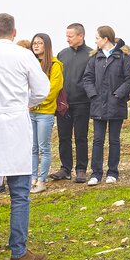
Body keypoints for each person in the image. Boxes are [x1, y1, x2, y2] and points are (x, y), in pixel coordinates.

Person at [0, 13, 50, 260]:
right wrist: (22, 103)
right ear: (14, 33)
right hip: (14, 125)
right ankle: (18, 251)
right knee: (19, 193)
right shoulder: (23, 55)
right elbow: (41, 89)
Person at [82, 26, 130, 185]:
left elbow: (129, 80)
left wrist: (118, 95)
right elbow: (87, 79)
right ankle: (96, 174)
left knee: (114, 140)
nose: (95, 41)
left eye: (97, 38)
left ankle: (113, 172)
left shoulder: (124, 57)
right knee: (97, 140)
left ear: (105, 39)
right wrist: (93, 95)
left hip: (116, 105)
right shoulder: (94, 58)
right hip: (98, 104)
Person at [50, 23, 92, 183]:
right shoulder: (62, 54)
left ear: (81, 36)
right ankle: (65, 168)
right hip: (64, 104)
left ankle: (81, 169)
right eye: (66, 36)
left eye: (70, 36)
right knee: (63, 137)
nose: (67, 39)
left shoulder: (91, 54)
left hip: (82, 102)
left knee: (81, 137)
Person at [29, 33, 64, 193]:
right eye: (34, 43)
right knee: (32, 148)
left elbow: (52, 90)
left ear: (47, 45)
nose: (36, 46)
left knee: (44, 147)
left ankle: (42, 181)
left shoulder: (55, 64)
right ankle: (32, 178)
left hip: (45, 112)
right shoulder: (31, 63)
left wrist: (35, 102)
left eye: (40, 43)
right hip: (30, 112)